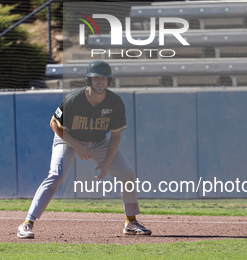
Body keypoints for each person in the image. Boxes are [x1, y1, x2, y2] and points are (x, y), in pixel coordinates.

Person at [17, 60, 151, 239]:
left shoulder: (115, 102)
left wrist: (107, 162)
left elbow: (116, 136)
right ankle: (27, 223)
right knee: (56, 176)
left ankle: (131, 222)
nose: (101, 82)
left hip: (98, 142)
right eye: (96, 78)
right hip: (68, 139)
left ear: (108, 81)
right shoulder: (74, 99)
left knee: (127, 173)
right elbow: (54, 125)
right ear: (89, 80)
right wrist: (78, 146)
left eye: (104, 78)